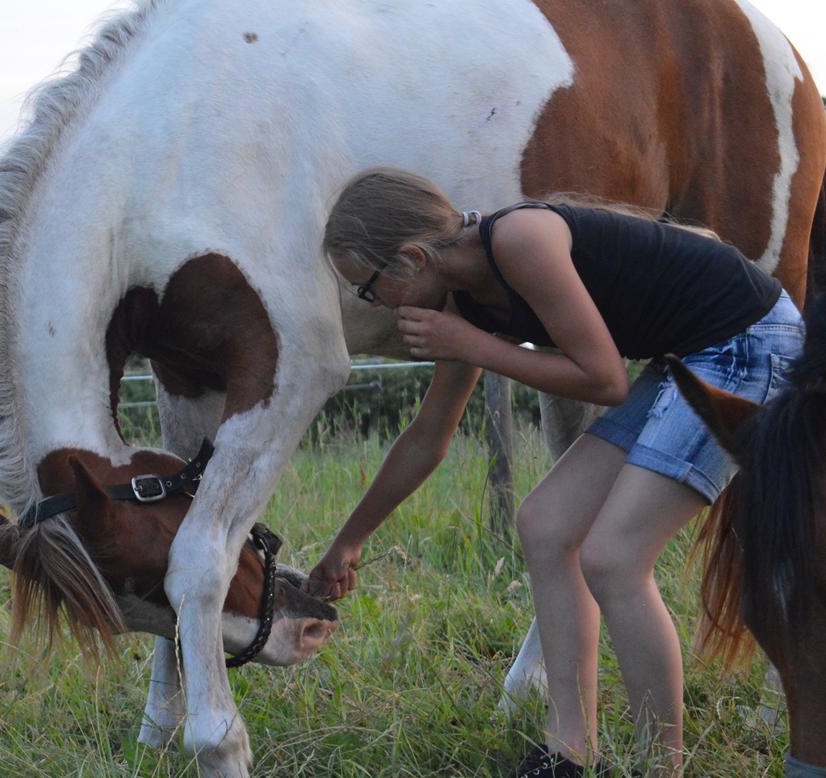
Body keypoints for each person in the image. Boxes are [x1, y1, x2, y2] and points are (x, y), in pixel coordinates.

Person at [304, 167, 804, 777]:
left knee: (615, 557)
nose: (375, 305)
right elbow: (428, 438)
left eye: (370, 288)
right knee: (544, 523)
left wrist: (473, 345)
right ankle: (569, 750)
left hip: (749, 342)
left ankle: (661, 765)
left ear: (411, 259)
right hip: (689, 354)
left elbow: (605, 382)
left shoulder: (520, 241)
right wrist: (349, 541)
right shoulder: (463, 299)